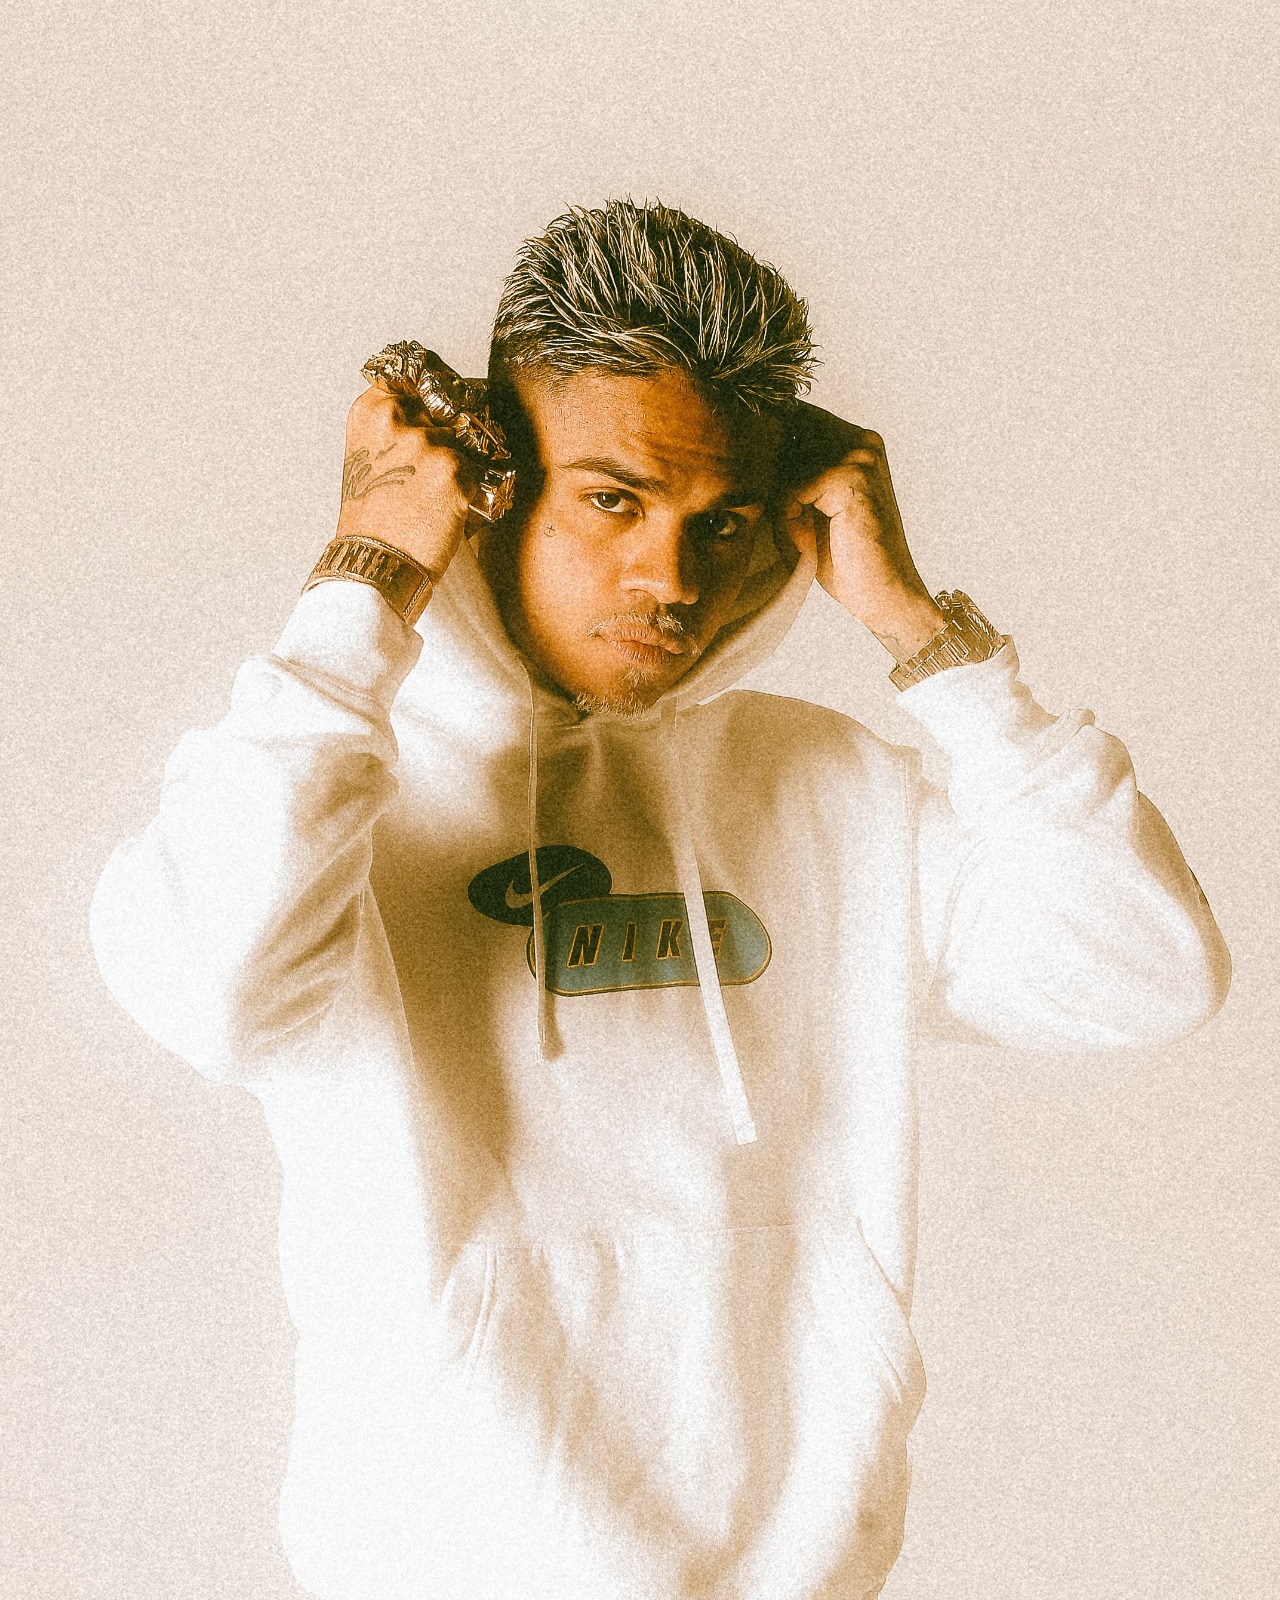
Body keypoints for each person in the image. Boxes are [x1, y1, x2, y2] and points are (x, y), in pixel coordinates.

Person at [89, 199, 1231, 1600]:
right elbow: (212, 989)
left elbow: (1145, 970)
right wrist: (369, 577)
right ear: (496, 484)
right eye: (614, 500)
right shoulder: (340, 788)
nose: (671, 578)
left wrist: (927, 638)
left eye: (722, 520)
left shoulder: (827, 789)